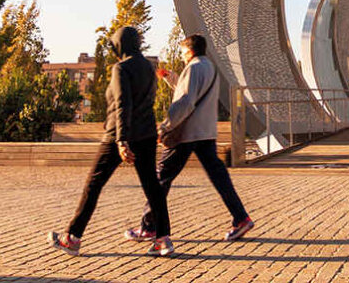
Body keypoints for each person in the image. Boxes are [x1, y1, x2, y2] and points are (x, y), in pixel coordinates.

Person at [49, 25, 174, 257]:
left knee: (93, 185)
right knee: (153, 188)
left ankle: (72, 238)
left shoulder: (121, 68)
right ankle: (163, 240)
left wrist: (121, 141)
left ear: (119, 45)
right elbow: (147, 103)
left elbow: (122, 104)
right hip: (146, 134)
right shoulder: (148, 67)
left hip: (119, 135)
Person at [123, 34, 253, 243]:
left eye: (183, 53)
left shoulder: (192, 68)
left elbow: (185, 102)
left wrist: (165, 126)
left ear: (190, 51)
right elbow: (194, 91)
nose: (182, 57)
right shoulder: (209, 67)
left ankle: (149, 227)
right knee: (220, 178)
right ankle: (241, 218)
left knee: (160, 178)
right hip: (206, 132)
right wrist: (171, 77)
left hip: (186, 134)